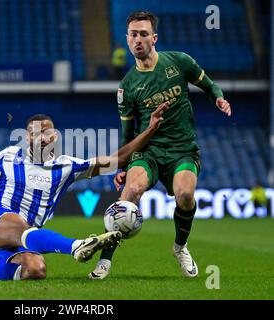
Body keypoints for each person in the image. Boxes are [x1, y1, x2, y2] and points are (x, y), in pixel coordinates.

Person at [0, 106, 168, 281]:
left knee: (35, 270)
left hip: (23, 237)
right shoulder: (8, 157)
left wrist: (150, 129)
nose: (42, 137)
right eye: (35, 133)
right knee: (19, 224)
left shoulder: (67, 166)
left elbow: (119, 158)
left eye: (47, 132)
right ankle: (75, 246)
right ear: (27, 137)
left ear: (54, 136)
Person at [89, 11, 232, 280]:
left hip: (182, 149)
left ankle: (180, 247)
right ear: (127, 40)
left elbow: (210, 85)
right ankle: (105, 260)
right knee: (130, 191)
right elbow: (127, 132)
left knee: (186, 196)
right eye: (133, 34)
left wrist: (219, 98)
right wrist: (123, 163)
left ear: (154, 38)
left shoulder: (178, 62)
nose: (138, 39)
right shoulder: (127, 86)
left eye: (144, 34)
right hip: (148, 152)